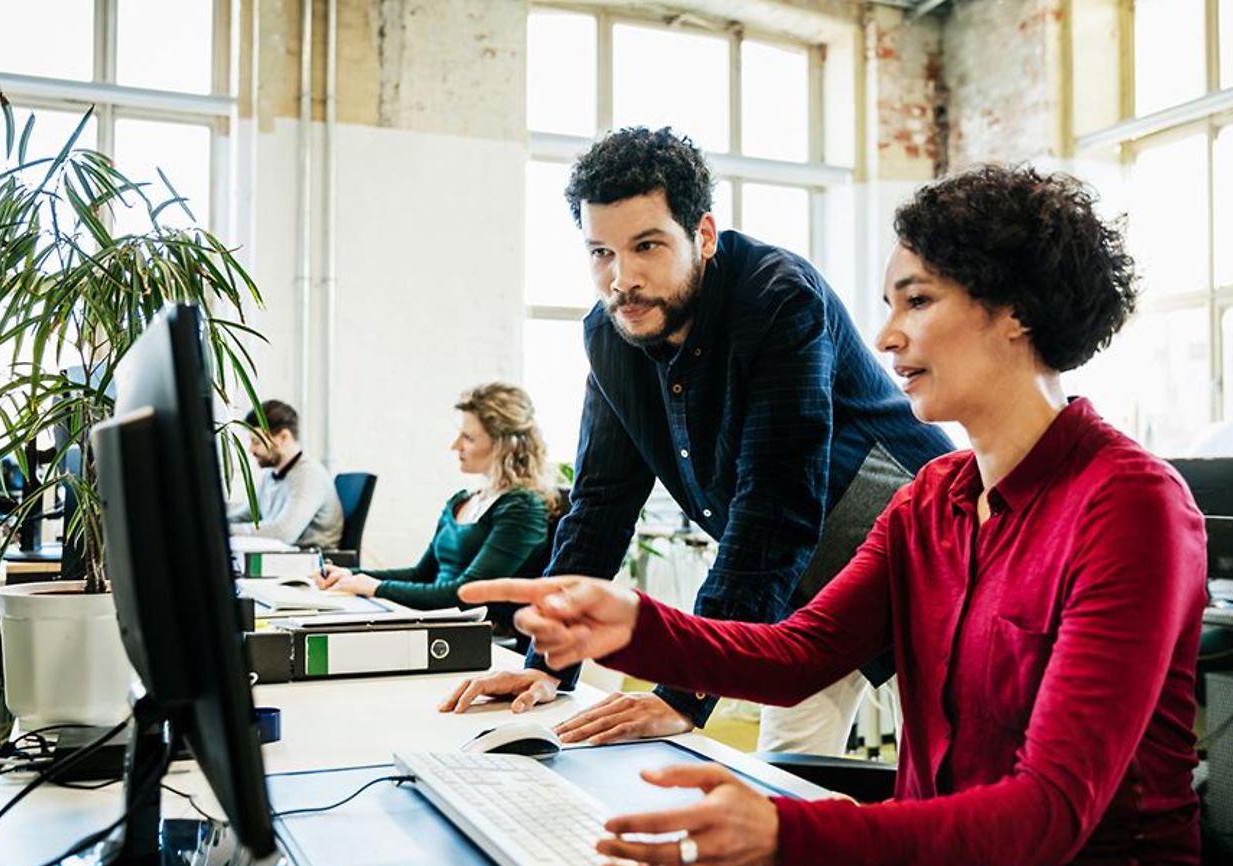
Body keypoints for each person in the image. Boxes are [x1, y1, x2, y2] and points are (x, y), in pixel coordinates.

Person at [459, 165, 1207, 866]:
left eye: (916, 302)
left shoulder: (1128, 504)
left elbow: (1047, 813)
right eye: (889, 304)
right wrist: (630, 626)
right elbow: (800, 655)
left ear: (1015, 310)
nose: (884, 336)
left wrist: (789, 837)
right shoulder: (934, 498)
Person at [442, 127, 953, 753]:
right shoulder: (613, 336)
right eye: (600, 252)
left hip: (916, 560)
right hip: (792, 591)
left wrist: (681, 692)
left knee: (960, 768)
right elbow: (600, 503)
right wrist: (547, 663)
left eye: (647, 246)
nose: (620, 279)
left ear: (703, 235)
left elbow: (776, 503)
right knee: (789, 778)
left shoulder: (775, 295)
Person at [316, 383, 555, 609]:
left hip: (478, 633)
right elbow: (422, 574)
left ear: (505, 445)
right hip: (439, 619)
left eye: (468, 438)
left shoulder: (522, 507)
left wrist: (375, 587)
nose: (455, 446)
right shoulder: (462, 501)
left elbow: (466, 593)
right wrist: (353, 576)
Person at [228, 399, 343, 549]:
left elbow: (283, 533)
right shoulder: (271, 476)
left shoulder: (309, 476)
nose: (250, 450)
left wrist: (226, 531)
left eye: (256, 442)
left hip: (308, 563)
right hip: (284, 558)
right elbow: (247, 514)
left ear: (283, 437)